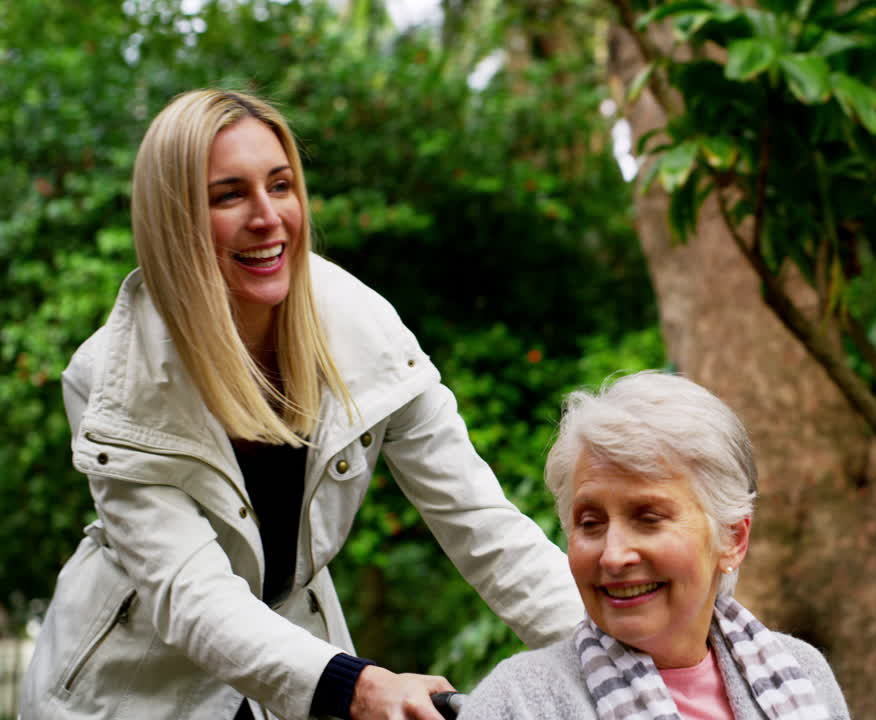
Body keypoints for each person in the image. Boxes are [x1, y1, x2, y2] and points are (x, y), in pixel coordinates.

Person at [19, 89, 582, 720]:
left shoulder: (367, 332)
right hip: (134, 691)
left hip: (293, 671)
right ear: (174, 219)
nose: (267, 217)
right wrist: (358, 686)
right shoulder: (114, 381)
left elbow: (484, 526)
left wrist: (615, 658)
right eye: (229, 195)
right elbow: (191, 594)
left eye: (281, 185)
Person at [458, 371, 851, 720]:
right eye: (590, 524)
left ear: (733, 538)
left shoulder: (803, 672)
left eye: (648, 519)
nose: (614, 556)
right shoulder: (522, 702)